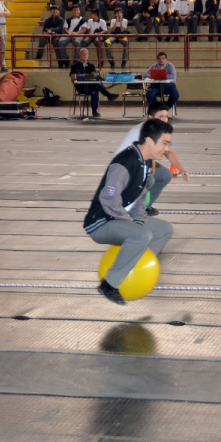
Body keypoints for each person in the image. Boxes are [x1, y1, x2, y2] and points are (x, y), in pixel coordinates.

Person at [85, 119, 175, 305]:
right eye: (164, 144)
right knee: (141, 235)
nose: (166, 149)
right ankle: (109, 284)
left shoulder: (144, 163)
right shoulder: (126, 162)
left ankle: (133, 262)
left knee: (164, 229)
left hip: (120, 220)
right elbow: (109, 200)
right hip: (102, 223)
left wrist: (139, 221)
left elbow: (139, 201)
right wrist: (130, 224)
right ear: (150, 141)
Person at [114, 102, 189, 215]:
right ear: (150, 118)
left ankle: (145, 207)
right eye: (160, 117)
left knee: (165, 175)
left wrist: (181, 168)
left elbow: (168, 152)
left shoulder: (159, 131)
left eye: (166, 117)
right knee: (150, 180)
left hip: (139, 163)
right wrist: (149, 174)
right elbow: (149, 159)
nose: (164, 120)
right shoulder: (143, 131)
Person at [70, 47, 119, 117]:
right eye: (83, 54)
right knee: (96, 86)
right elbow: (72, 79)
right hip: (80, 87)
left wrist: (95, 74)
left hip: (90, 86)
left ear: (88, 56)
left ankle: (94, 111)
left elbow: (95, 76)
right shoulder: (75, 66)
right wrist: (74, 77)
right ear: (79, 55)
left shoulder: (91, 65)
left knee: (95, 89)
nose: (85, 55)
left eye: (86, 54)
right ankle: (108, 95)